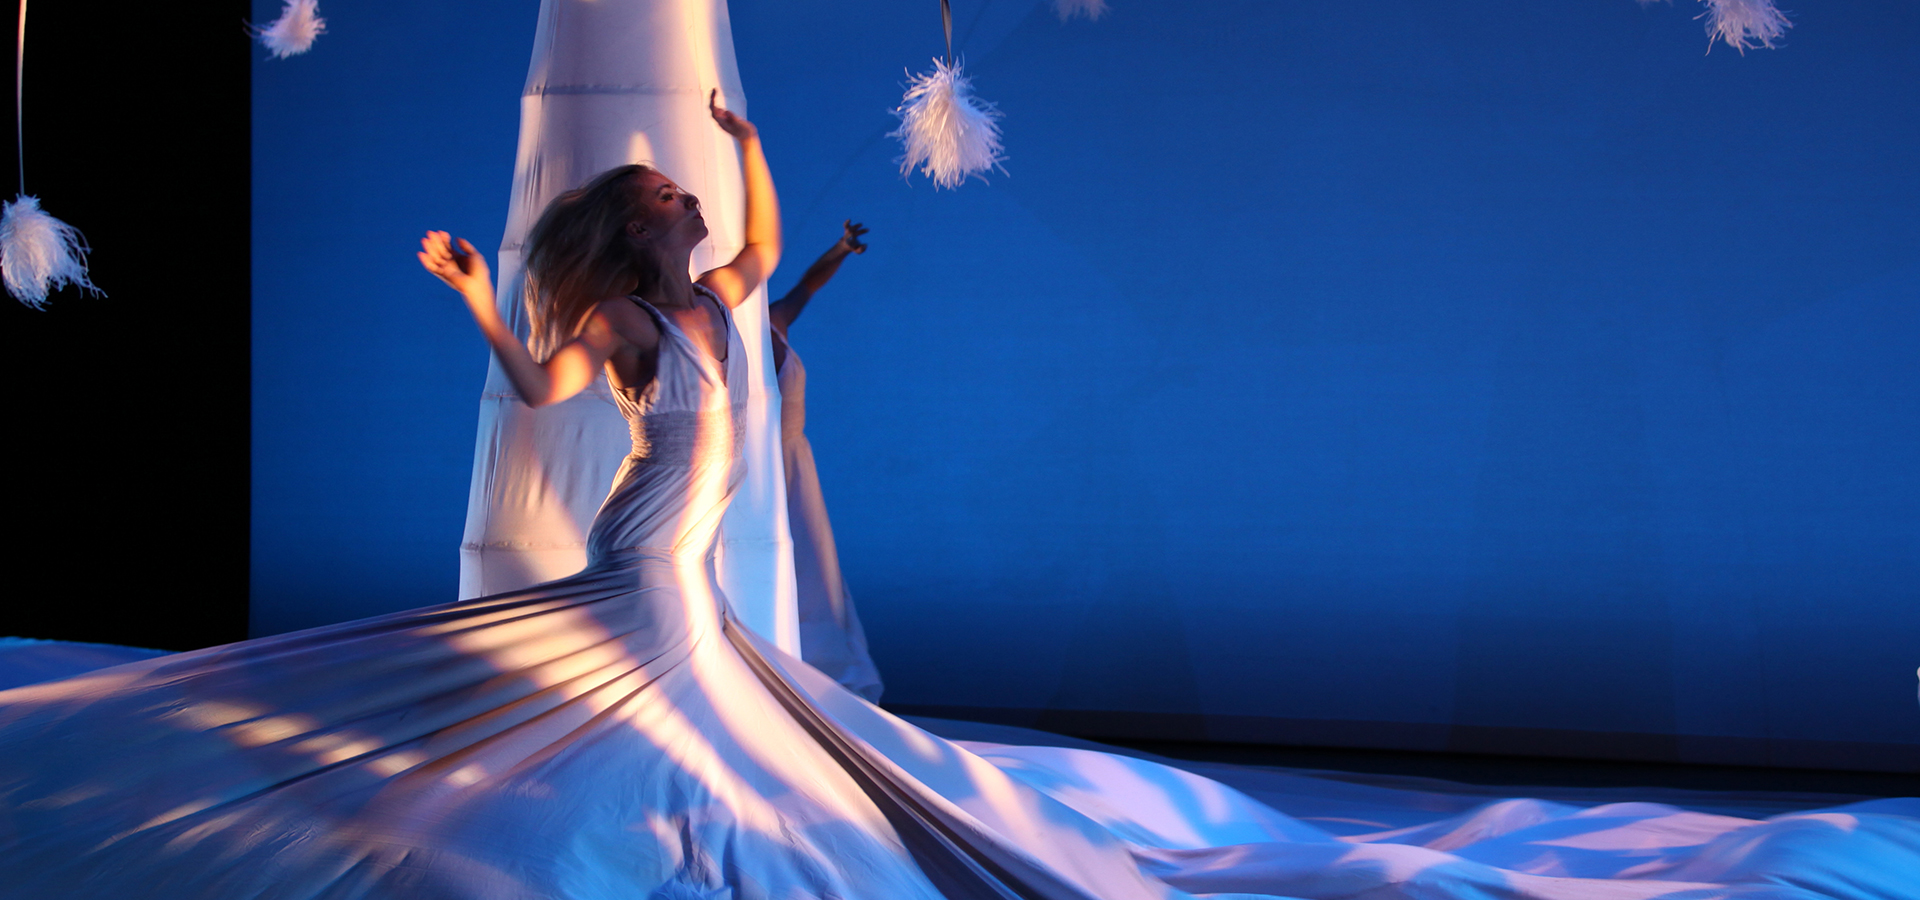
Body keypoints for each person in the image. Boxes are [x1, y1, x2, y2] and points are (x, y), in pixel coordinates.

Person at [3, 98, 1915, 900]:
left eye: (680, 202)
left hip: (676, 569)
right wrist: (461, 292)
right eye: (667, 198)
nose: (682, 209)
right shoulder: (626, 323)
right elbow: (533, 383)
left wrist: (750, 143)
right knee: (646, 706)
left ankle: (610, 831)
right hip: (642, 559)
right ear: (632, 236)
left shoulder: (720, 296)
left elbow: (765, 245)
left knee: (706, 705)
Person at [769, 221, 885, 702]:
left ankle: (823, 677)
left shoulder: (772, 320)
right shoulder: (721, 339)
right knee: (782, 564)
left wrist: (840, 249)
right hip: (760, 468)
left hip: (794, 462)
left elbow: (806, 286)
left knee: (812, 568)